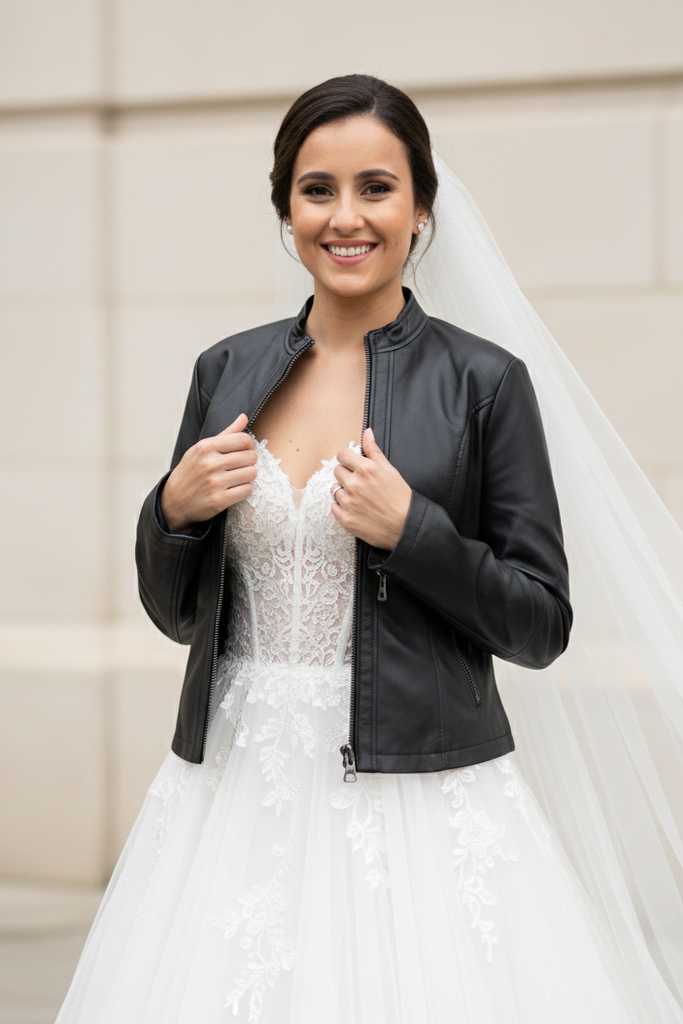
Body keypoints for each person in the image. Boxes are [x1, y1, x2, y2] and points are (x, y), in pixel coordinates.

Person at [56, 75, 683, 1024]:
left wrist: (413, 532)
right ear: (284, 208)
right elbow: (180, 614)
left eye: (376, 187)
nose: (345, 217)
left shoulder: (484, 382)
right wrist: (171, 514)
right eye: (316, 190)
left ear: (421, 206)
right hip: (235, 786)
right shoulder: (226, 371)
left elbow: (541, 622)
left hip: (420, 794)